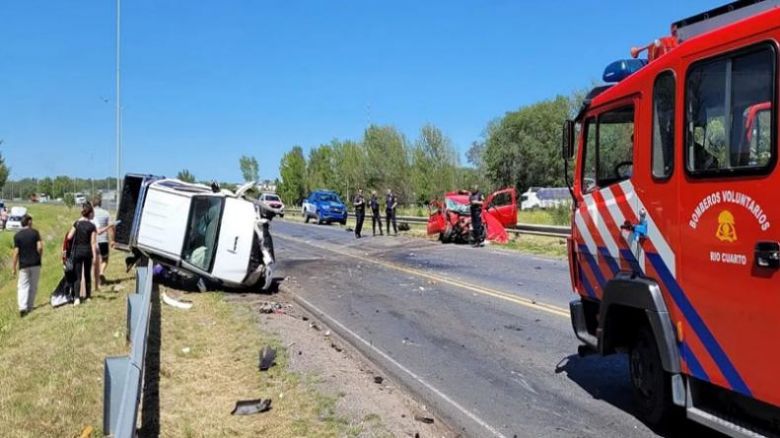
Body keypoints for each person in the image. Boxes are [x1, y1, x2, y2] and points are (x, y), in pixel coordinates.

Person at [67, 203, 98, 305]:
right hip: (87, 251)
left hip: (77, 252)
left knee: (78, 275)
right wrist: (94, 256)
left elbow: (69, 237)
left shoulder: (77, 223)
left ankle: (77, 298)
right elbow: (93, 242)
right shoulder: (92, 226)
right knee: (87, 274)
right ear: (90, 214)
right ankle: (88, 296)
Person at [12, 214, 42, 317]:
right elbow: (39, 247)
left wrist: (14, 267)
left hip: (23, 265)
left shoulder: (17, 236)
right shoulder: (35, 233)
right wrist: (40, 256)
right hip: (35, 263)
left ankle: (22, 308)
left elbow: (16, 252)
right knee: (33, 286)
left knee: (22, 286)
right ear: (29, 222)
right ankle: (30, 306)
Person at [91, 196, 113, 288]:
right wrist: (113, 240)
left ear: (92, 204)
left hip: (93, 241)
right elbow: (111, 228)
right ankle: (101, 272)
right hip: (104, 240)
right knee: (105, 259)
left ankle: (95, 278)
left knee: (94, 261)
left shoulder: (90, 214)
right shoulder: (106, 213)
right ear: (100, 203)